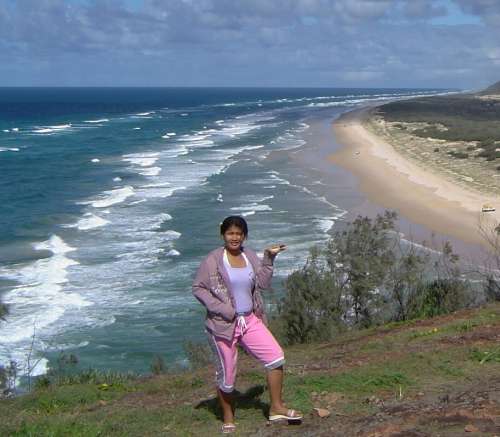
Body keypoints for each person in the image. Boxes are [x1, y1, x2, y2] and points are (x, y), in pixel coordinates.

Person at [192, 216, 302, 433]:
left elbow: (262, 283)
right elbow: (198, 288)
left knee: (276, 357)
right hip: (223, 325)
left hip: (250, 319)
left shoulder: (249, 255)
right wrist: (224, 309)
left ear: (244, 236)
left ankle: (276, 407)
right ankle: (228, 416)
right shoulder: (213, 260)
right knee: (228, 375)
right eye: (230, 233)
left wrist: (269, 259)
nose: (235, 237)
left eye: (239, 234)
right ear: (223, 235)